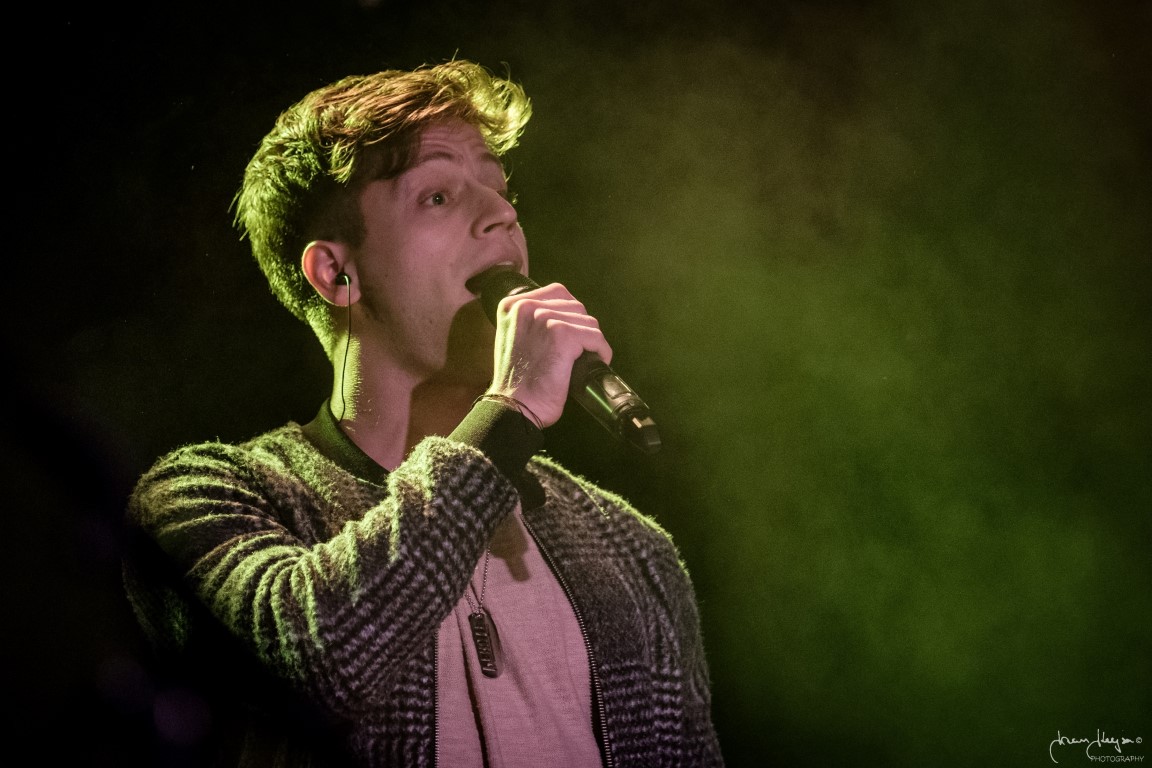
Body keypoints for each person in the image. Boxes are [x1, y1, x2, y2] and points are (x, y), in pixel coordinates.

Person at [122, 58, 724, 767]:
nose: (501, 214)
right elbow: (311, 664)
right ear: (336, 273)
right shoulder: (204, 497)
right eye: (438, 196)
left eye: (502, 192)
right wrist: (511, 409)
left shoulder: (631, 549)